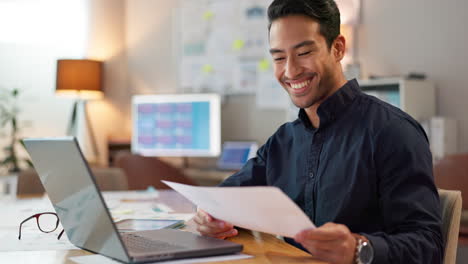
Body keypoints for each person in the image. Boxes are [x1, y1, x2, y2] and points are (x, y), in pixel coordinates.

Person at [193, 0, 443, 263]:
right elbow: (222, 199)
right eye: (279, 57)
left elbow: (429, 246)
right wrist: (209, 216)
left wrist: (358, 248)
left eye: (303, 53)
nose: (290, 70)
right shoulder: (282, 141)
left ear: (337, 48)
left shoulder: (393, 132)